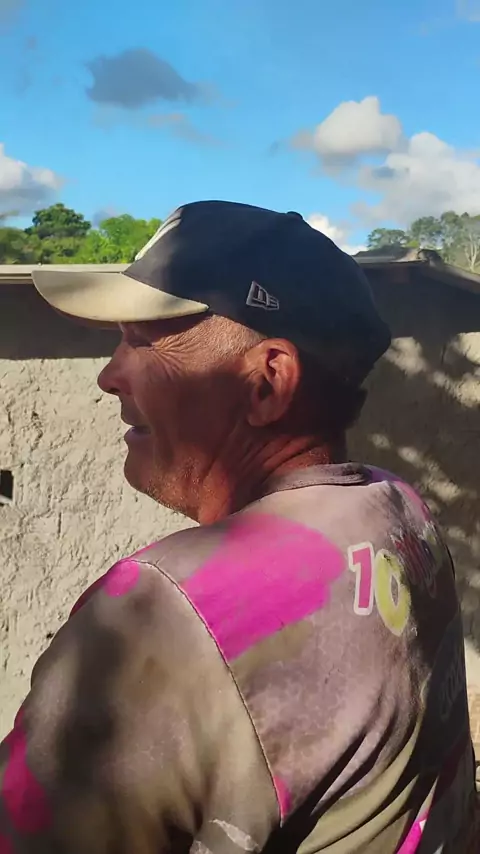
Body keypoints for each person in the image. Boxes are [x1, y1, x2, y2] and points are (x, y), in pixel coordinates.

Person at [0, 201, 476, 854]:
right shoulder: (399, 510)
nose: (110, 376)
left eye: (144, 341)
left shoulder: (164, 616)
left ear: (266, 384)